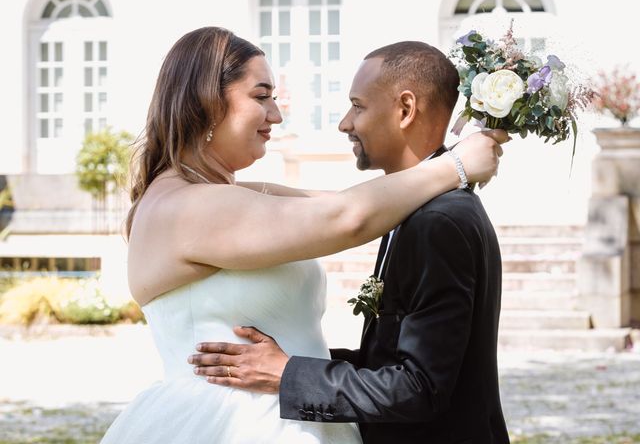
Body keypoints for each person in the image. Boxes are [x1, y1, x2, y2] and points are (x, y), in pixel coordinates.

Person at [100, 27, 505, 444]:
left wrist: (441, 156)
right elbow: (346, 218)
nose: (276, 114)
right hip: (234, 425)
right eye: (261, 96)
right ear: (205, 100)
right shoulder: (185, 209)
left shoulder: (224, 197)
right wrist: (457, 164)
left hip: (286, 413)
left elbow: (351, 203)